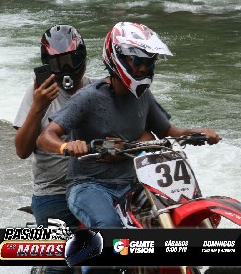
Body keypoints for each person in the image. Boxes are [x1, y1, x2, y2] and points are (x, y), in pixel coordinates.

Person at [36, 21, 221, 231]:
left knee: (176, 213)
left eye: (149, 62)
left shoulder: (143, 96)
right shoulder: (88, 97)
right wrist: (66, 146)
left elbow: (169, 132)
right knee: (109, 226)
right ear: (117, 59)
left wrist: (197, 133)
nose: (143, 68)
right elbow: (45, 137)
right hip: (89, 186)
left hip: (132, 184)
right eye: (137, 61)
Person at [13, 25, 92, 274]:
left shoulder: (97, 90)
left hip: (95, 185)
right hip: (53, 190)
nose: (66, 70)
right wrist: (38, 106)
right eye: (58, 64)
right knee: (61, 267)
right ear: (47, 65)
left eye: (71, 61)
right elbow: (22, 150)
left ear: (83, 60)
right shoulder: (38, 94)